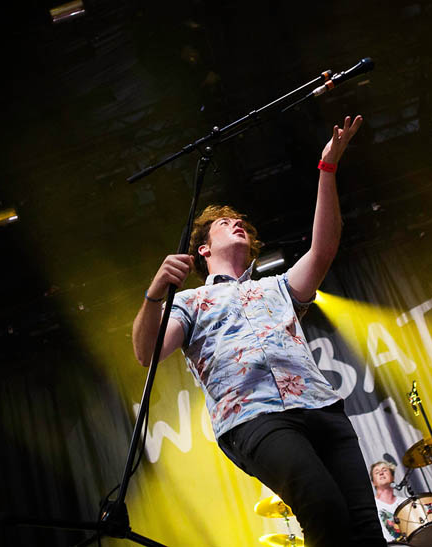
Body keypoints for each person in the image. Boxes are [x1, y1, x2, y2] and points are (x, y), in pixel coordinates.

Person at [132, 115, 387, 547]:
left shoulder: (277, 287)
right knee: (322, 508)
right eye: (224, 223)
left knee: (364, 526)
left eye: (241, 224)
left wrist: (327, 169)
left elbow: (323, 250)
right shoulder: (190, 302)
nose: (237, 225)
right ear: (203, 249)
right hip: (254, 418)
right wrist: (155, 294)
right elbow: (147, 354)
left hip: (321, 406)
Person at [370, 461, 408, 543]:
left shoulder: (406, 503)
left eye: (384, 470)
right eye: (377, 472)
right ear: (373, 482)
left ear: (392, 477)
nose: (381, 473)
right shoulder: (371, 506)